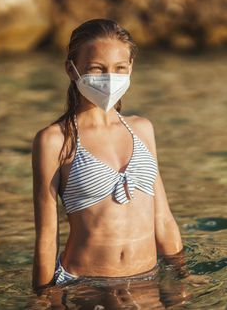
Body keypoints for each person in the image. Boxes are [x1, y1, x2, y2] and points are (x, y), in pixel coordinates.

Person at [31, 18, 185, 295]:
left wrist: (182, 277)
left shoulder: (142, 129)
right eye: (97, 69)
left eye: (119, 68)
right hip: (85, 287)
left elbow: (163, 219)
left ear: (130, 69)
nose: (109, 78)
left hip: (147, 281)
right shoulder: (55, 140)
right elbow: (46, 237)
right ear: (71, 69)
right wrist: (42, 299)